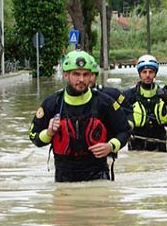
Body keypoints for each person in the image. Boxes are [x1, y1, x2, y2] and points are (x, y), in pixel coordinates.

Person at [28, 50, 131, 182]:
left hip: (98, 177)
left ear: (91, 76)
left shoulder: (104, 102)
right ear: (66, 75)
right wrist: (48, 133)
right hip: (64, 180)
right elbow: (33, 136)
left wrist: (110, 146)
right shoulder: (52, 103)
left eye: (86, 74)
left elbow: (125, 130)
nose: (81, 79)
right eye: (76, 74)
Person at [123, 54, 167, 152]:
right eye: (144, 72)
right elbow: (118, 119)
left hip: (160, 145)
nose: (147, 75)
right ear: (140, 74)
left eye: (151, 72)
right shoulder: (128, 96)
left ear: (155, 74)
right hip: (136, 145)